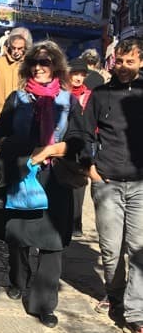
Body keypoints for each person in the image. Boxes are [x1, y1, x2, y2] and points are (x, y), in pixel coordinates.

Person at [0, 40, 83, 328]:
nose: (39, 68)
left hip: (54, 176)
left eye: (45, 63)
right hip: (22, 174)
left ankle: (44, 303)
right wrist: (15, 150)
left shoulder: (68, 102)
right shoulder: (17, 98)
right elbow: (1, 133)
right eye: (35, 63)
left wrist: (57, 149)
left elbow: (79, 139)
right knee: (17, 235)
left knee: (53, 242)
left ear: (56, 66)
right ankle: (18, 278)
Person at [78, 38, 143, 333]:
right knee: (111, 247)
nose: (124, 67)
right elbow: (84, 133)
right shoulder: (100, 94)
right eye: (120, 61)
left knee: (139, 249)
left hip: (140, 185)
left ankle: (136, 313)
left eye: (131, 62)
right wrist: (90, 168)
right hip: (107, 181)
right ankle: (115, 296)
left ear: (140, 62)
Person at [0, 27, 33, 136]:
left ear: (25, 48)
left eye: (20, 48)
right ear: (9, 47)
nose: (16, 51)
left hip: (21, 116)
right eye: (14, 48)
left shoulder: (28, 66)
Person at [68, 58, 92, 236]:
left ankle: (76, 222)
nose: (78, 78)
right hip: (64, 142)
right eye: (75, 74)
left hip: (84, 143)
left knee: (80, 183)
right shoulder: (60, 93)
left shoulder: (89, 95)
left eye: (82, 75)